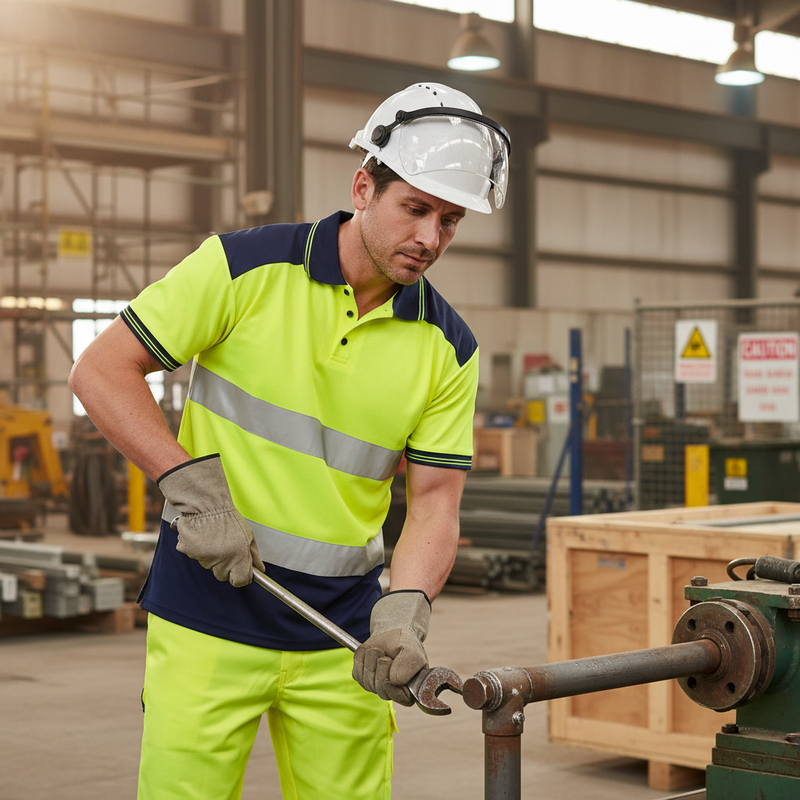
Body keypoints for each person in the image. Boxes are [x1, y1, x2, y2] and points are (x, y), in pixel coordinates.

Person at [68, 81, 510, 800]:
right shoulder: (242, 267)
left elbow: (434, 504)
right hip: (209, 610)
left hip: (344, 636)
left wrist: (406, 610)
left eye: (451, 220)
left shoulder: (449, 347)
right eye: (416, 209)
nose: (431, 238)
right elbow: (101, 369)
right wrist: (187, 483)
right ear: (363, 186)